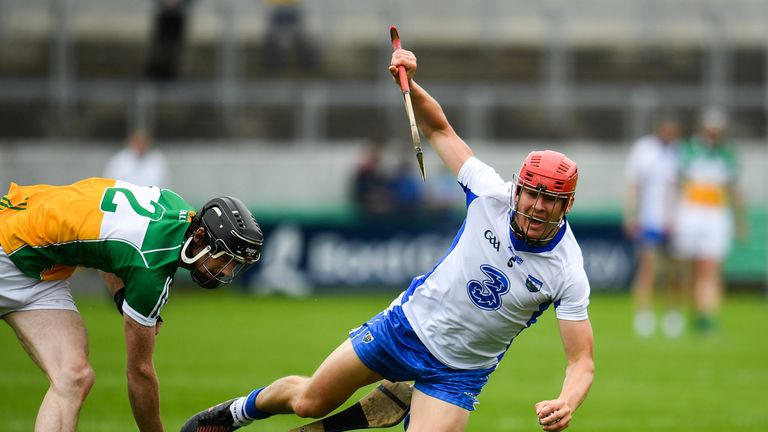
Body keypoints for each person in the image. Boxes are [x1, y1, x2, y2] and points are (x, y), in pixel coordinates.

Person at [181, 48, 594, 432]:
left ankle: (398, 400)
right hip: (405, 326)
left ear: (567, 204)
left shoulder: (567, 269)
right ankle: (237, 412)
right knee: (309, 402)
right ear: (518, 188)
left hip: (460, 372)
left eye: (551, 200)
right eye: (533, 194)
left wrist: (567, 401)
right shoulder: (490, 195)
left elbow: (582, 361)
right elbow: (439, 129)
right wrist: (408, 84)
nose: (538, 207)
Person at [0, 177, 263, 432]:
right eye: (225, 259)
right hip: (10, 245)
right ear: (200, 237)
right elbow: (140, 373)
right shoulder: (152, 268)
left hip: (40, 270)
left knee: (73, 376)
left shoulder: (177, 207)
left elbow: (111, 245)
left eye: (235, 264)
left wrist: (121, 295)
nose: (227, 272)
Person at [671, 107, 747, 334]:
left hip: (715, 215)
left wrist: (741, 220)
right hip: (691, 213)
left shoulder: (726, 154)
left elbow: (733, 189)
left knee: (710, 267)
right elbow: (678, 184)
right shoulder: (689, 150)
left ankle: (707, 316)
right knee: (688, 267)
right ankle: (687, 310)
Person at [623, 117, 684, 338]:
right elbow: (634, 185)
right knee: (648, 267)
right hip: (650, 219)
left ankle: (672, 314)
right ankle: (644, 315)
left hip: (675, 221)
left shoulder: (681, 153)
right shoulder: (644, 150)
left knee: (673, 271)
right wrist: (631, 215)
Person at [104, 129, 170, 188]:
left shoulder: (158, 160)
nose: (141, 145)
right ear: (131, 141)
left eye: (144, 141)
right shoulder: (118, 160)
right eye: (137, 141)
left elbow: (163, 184)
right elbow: (110, 182)